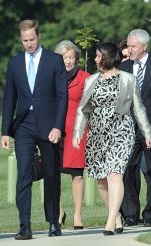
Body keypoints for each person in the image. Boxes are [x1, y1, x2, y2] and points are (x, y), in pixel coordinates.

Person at [73, 41, 151, 235]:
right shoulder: (91, 80)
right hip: (97, 134)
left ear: (107, 57)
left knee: (115, 175)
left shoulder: (128, 79)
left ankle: (110, 222)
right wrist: (78, 133)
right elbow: (83, 110)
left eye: (98, 55)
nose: (95, 59)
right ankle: (116, 215)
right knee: (101, 180)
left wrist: (147, 132)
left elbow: (138, 108)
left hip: (121, 132)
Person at [1, 19, 67, 239]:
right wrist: (4, 131)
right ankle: (24, 226)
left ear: (39, 37)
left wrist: (58, 126)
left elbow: (62, 97)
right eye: (24, 41)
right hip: (24, 126)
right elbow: (9, 98)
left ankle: (53, 223)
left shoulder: (54, 61)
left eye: (32, 39)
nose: (28, 44)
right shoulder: (14, 63)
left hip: (49, 126)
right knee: (24, 175)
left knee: (51, 174)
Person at [118, 29, 151, 227]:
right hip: (128, 129)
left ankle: (150, 213)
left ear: (144, 47)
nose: (129, 50)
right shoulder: (123, 67)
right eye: (129, 46)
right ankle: (131, 213)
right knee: (127, 171)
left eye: (133, 46)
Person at [54, 40, 90, 229]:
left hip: (77, 132)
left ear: (76, 58)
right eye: (64, 57)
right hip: (55, 131)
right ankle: (59, 211)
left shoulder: (85, 77)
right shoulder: (51, 77)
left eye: (71, 57)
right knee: (54, 174)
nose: (68, 61)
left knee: (77, 174)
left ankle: (77, 214)